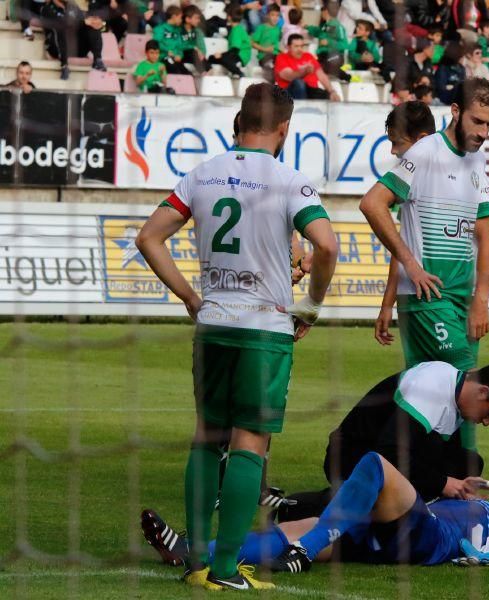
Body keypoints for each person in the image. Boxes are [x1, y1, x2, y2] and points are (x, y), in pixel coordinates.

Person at [134, 83, 339, 591]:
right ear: (285, 130)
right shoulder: (289, 180)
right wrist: (309, 305)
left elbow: (148, 237)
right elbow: (328, 245)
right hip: (263, 330)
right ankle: (225, 571)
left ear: (237, 124)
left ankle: (196, 560)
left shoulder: (201, 174)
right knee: (251, 442)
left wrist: (189, 296)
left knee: (207, 436)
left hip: (214, 324)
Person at [360, 78, 489, 453]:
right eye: (477, 121)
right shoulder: (425, 152)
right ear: (455, 112)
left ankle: (410, 470)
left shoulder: (478, 159)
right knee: (467, 381)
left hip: (461, 299)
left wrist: (481, 299)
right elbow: (372, 204)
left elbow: (486, 235)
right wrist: (411, 263)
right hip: (427, 295)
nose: (483, 132)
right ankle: (464, 470)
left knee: (427, 390)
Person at [143, 455, 489, 572]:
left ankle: (304, 555)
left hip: (430, 539)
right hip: (398, 535)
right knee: (303, 527)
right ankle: (193, 550)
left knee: (375, 465)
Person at [277, 360, 489, 521]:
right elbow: (389, 453)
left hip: (388, 452)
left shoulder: (457, 392)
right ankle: (298, 507)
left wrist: (460, 485)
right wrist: (443, 483)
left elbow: (437, 455)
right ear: (482, 392)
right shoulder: (431, 387)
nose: (486, 423)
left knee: (468, 463)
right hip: (350, 458)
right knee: (395, 506)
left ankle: (424, 510)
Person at [374, 101, 437, 346]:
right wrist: (387, 304)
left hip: (451, 297)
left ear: (422, 140)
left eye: (397, 142)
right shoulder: (411, 179)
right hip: (421, 298)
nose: (392, 151)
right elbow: (400, 248)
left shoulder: (466, 171)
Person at [42, 0, 105, 80]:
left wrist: (93, 22)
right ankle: (64, 66)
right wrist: (83, 22)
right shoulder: (47, 8)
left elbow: (83, 21)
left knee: (92, 24)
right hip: (56, 48)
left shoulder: (72, 6)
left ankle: (97, 60)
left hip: (75, 47)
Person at [274, 34, 342, 100]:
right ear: (288, 47)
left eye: (301, 46)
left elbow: (322, 76)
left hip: (312, 92)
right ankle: (302, 109)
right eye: (296, 46)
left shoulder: (308, 56)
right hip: (289, 95)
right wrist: (304, 72)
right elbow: (288, 76)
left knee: (329, 96)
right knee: (299, 83)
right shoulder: (281, 57)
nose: (300, 49)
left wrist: (332, 91)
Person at [154, 5, 187, 75]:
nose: (181, 20)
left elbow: (180, 46)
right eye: (180, 17)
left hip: (176, 59)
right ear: (174, 17)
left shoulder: (178, 30)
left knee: (187, 74)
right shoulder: (160, 29)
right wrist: (167, 51)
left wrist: (180, 55)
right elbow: (156, 43)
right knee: (174, 70)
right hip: (164, 57)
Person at [251, 4, 282, 71]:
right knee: (272, 66)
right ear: (267, 15)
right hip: (265, 57)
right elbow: (252, 43)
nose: (275, 18)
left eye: (277, 15)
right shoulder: (261, 28)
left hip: (276, 56)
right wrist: (264, 49)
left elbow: (276, 45)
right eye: (272, 15)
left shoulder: (278, 29)